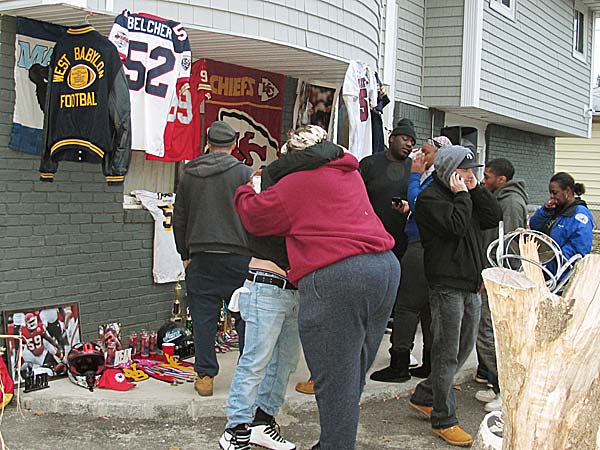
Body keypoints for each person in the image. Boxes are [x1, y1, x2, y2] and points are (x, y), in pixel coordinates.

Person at [234, 125, 400, 450]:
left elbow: (255, 217)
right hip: (385, 268)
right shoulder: (347, 172)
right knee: (352, 375)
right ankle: (333, 442)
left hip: (338, 276)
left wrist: (246, 188)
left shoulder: (298, 181)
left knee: (335, 382)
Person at [409, 145, 502, 447]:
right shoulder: (430, 198)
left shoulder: (468, 194)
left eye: (473, 170)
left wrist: (474, 191)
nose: (470, 175)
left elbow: (492, 216)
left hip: (471, 282)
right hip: (446, 284)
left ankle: (426, 394)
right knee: (447, 352)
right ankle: (443, 418)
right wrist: (462, 196)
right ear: (450, 170)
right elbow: (456, 226)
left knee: (463, 349)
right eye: (465, 170)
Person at [173, 121, 252, 397]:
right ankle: (246, 376)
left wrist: (184, 254)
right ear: (234, 145)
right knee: (244, 318)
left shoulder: (188, 174)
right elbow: (254, 215)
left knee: (203, 318)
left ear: (207, 143)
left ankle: (205, 376)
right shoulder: (244, 173)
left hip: (201, 256)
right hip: (239, 257)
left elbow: (179, 218)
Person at [219, 258, 299, 450]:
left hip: (294, 289)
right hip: (265, 283)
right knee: (255, 362)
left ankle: (262, 422)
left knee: (285, 362)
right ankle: (235, 431)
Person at [391, 136, 452, 381]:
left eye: (426, 152)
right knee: (427, 307)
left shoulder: (437, 177)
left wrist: (414, 175)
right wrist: (409, 208)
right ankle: (428, 362)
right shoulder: (440, 178)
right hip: (430, 246)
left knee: (406, 305)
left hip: (422, 246)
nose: (420, 156)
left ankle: (399, 363)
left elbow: (421, 202)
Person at [360, 118, 416, 383]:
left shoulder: (412, 170)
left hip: (401, 241)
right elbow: (356, 196)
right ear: (393, 137)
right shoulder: (370, 164)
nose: (408, 145)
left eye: (413, 142)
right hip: (368, 241)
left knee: (397, 300)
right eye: (405, 139)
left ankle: (399, 348)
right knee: (368, 296)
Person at [475, 158, 529, 412]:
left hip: (499, 278)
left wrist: (495, 276)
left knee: (490, 333)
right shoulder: (499, 198)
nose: (484, 181)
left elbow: (509, 245)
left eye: (487, 177)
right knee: (487, 332)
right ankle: (496, 384)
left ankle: (505, 390)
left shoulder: (510, 203)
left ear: (502, 180)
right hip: (491, 273)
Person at [529, 172, 594, 276]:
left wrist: (553, 259)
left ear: (567, 191)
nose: (551, 197)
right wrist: (545, 211)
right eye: (550, 193)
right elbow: (534, 225)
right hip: (542, 268)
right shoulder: (553, 210)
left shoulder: (579, 215)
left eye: (555, 193)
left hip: (561, 274)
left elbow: (580, 248)